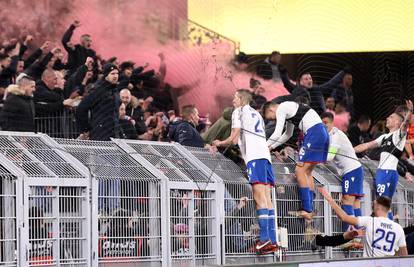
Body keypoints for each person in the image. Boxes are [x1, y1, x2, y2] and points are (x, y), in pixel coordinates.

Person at [213, 89, 278, 254]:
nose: (233, 100)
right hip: (266, 158)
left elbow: (234, 139)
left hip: (255, 158)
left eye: (235, 97)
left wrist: (219, 143)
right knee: (267, 198)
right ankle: (272, 240)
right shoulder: (257, 115)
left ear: (241, 99)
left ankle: (264, 240)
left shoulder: (238, 111)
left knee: (258, 197)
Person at [264, 101, 329, 220]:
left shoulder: (281, 107)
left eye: (271, 118)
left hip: (314, 133)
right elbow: (287, 135)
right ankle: (310, 207)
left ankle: (307, 208)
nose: (274, 120)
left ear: (271, 109)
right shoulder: (290, 109)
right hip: (321, 133)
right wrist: (271, 147)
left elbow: (277, 132)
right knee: (307, 172)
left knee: (299, 171)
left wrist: (263, 146)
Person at [354, 100, 413, 220]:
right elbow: (366, 145)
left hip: (386, 173)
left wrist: (410, 112)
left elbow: (405, 124)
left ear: (397, 122)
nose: (387, 118)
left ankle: (387, 229)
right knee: (385, 206)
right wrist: (349, 150)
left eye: (391, 117)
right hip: (387, 173)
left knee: (381, 205)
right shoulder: (384, 137)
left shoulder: (398, 136)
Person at [318, 186, 408, 257]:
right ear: (389, 209)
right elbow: (404, 255)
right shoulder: (398, 228)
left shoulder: (370, 221)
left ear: (377, 207)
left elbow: (344, 217)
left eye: (373, 205)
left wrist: (329, 199)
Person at [321, 112, 364, 232]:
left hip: (351, 171)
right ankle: (358, 234)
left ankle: (349, 235)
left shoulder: (335, 135)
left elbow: (329, 157)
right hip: (355, 170)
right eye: (322, 123)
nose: (324, 126)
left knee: (347, 201)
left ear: (332, 123)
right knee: (355, 203)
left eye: (326, 123)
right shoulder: (328, 136)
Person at [76, 63, 121, 141]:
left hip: (114, 134)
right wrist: (86, 129)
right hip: (100, 134)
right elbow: (81, 108)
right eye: (112, 73)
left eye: (117, 73)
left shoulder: (115, 90)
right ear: (106, 75)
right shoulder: (97, 90)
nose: (115, 76)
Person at [280, 68, 346, 114]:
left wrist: (343, 72)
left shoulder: (317, 89)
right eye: (306, 79)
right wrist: (283, 74)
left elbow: (331, 83)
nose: (309, 80)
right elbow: (287, 84)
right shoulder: (297, 90)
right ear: (300, 82)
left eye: (310, 78)